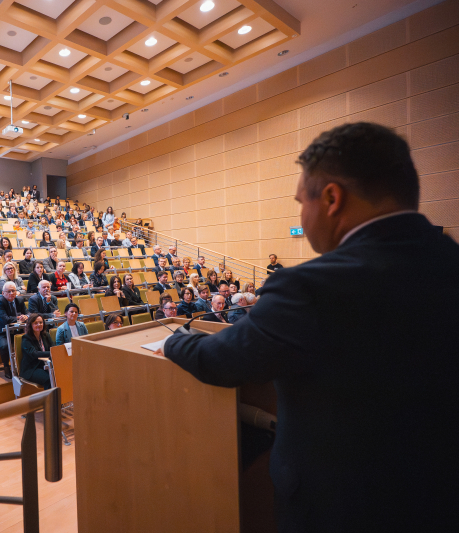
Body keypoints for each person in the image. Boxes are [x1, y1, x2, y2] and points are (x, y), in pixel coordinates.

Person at [159, 122, 459, 531]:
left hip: (339, 507)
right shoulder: (448, 261)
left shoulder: (309, 287)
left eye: (302, 201)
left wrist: (173, 339)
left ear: (332, 198)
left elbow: (220, 361)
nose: (301, 214)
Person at [0, 281, 28, 379]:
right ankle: (6, 366)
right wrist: (19, 318)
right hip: (1, 332)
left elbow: (27, 313)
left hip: (16, 330)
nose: (11, 293)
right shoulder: (0, 302)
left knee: (28, 340)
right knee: (5, 345)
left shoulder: (19, 300)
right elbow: (5, 319)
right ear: (3, 293)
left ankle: (24, 365)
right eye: (8, 291)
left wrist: (25, 316)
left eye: (13, 291)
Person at [19, 314, 53, 389]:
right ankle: (50, 397)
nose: (39, 325)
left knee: (59, 374)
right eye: (35, 323)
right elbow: (34, 354)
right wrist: (52, 353)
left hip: (45, 365)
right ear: (30, 325)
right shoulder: (26, 338)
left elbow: (53, 348)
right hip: (32, 368)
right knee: (49, 379)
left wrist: (55, 351)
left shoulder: (46, 335)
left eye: (41, 322)